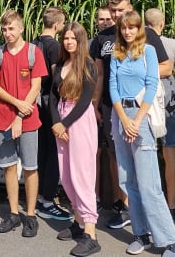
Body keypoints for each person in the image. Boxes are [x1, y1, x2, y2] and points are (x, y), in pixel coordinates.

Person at [109, 11, 175, 257]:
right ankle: (141, 233)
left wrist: (137, 120)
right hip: (120, 117)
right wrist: (123, 119)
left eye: (132, 27)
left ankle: (171, 241)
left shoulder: (149, 52)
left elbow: (153, 84)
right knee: (127, 180)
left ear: (139, 29)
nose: (127, 31)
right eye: (124, 28)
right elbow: (112, 86)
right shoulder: (117, 54)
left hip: (142, 117)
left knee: (148, 183)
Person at [0, 9, 48, 238]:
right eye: (4, 29)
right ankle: (13, 214)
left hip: (29, 120)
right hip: (4, 117)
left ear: (21, 28)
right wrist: (16, 105)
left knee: (31, 168)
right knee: (9, 167)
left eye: (11, 28)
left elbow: (36, 87)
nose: (7, 33)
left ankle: (30, 215)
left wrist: (21, 115)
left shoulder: (34, 53)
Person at [50, 22, 101, 257]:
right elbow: (52, 96)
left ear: (81, 41)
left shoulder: (87, 65)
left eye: (73, 38)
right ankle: (79, 221)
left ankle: (91, 233)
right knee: (66, 175)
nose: (69, 42)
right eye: (66, 38)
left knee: (82, 174)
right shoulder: (60, 64)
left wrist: (65, 123)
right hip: (61, 119)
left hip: (78, 120)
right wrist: (56, 123)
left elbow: (85, 101)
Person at [90, 0, 133, 228]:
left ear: (130, 8)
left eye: (120, 10)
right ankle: (122, 203)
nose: (116, 15)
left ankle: (133, 205)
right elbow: (99, 74)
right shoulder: (102, 38)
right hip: (108, 104)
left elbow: (162, 68)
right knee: (116, 155)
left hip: (133, 106)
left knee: (133, 157)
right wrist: (95, 105)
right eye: (113, 11)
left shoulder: (139, 34)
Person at [34, 6, 71, 220]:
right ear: (57, 25)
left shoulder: (34, 43)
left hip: (36, 102)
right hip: (50, 102)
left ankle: (40, 196)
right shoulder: (54, 46)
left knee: (42, 151)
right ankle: (48, 200)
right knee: (54, 153)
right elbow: (58, 77)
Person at [145, 8, 175, 216]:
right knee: (169, 154)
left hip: (146, 102)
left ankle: (151, 201)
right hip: (168, 102)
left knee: (147, 153)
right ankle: (171, 203)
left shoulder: (140, 42)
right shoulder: (173, 44)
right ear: (163, 23)